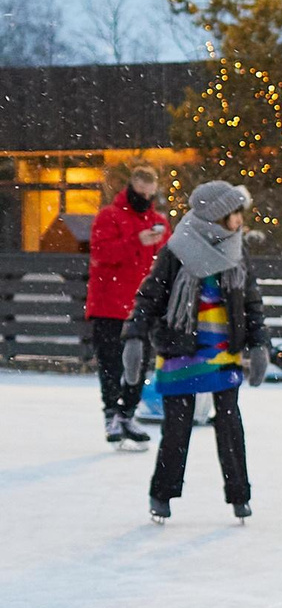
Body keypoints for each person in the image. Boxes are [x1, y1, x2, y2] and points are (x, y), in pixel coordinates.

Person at [123, 180, 267, 522]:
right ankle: (162, 495)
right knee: (177, 428)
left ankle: (239, 496)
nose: (240, 220)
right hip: (180, 350)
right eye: (235, 213)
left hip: (223, 354)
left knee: (230, 425)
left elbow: (251, 302)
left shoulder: (237, 250)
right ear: (216, 215)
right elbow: (150, 297)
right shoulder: (177, 250)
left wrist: (259, 343)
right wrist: (134, 337)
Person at [88, 161, 170, 446]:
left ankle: (126, 413)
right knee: (111, 363)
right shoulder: (109, 216)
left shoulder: (158, 222)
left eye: (149, 193)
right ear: (131, 188)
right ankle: (112, 413)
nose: (144, 198)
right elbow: (101, 253)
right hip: (109, 303)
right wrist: (137, 241)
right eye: (141, 192)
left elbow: (166, 260)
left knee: (139, 363)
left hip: (141, 307)